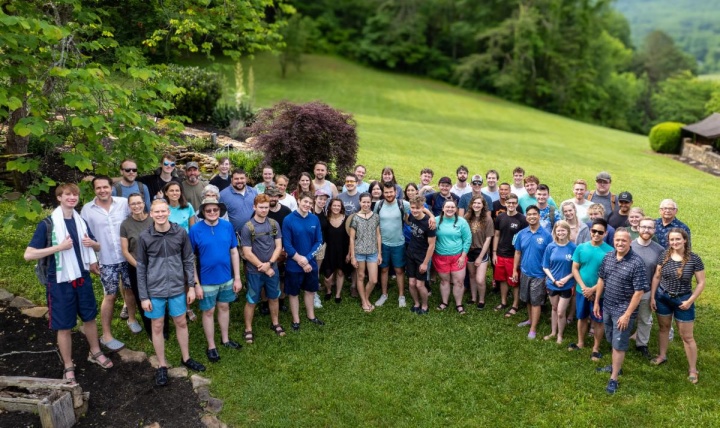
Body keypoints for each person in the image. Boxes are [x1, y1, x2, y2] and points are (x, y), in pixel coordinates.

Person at [25, 183, 112, 383]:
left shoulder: (80, 221)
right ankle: (68, 365)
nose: (72, 198)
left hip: (82, 277)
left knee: (89, 318)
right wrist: (59, 247)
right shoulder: (47, 224)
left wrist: (93, 246)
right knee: (64, 325)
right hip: (60, 282)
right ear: (59, 198)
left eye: (75, 195)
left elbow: (95, 245)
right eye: (67, 195)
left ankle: (95, 352)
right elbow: (29, 254)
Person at [137, 199, 205, 386]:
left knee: (181, 322)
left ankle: (186, 357)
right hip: (155, 290)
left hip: (177, 288)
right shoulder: (145, 237)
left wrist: (191, 286)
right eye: (156, 212)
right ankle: (162, 365)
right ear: (151, 214)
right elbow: (141, 268)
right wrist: (143, 297)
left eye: (163, 211)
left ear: (168, 212)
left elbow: (188, 261)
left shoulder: (180, 233)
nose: (160, 215)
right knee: (157, 326)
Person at [593, 228, 648, 394]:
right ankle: (614, 366)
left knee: (619, 345)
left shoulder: (637, 263)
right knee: (611, 339)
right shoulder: (608, 257)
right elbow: (602, 279)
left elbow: (639, 292)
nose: (620, 243)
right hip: (608, 306)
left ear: (630, 242)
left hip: (623, 311)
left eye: (624, 240)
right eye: (617, 240)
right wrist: (597, 302)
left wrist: (627, 315)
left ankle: (614, 378)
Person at [80, 176, 132, 352]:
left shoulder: (123, 203)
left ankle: (132, 318)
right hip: (105, 259)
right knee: (110, 295)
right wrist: (91, 260)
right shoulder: (87, 209)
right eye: (98, 188)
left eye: (105, 187)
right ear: (94, 190)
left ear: (112, 187)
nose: (102, 190)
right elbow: (84, 237)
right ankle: (107, 334)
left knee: (129, 289)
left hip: (126, 256)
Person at [190, 197, 243, 362]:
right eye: (208, 210)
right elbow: (190, 259)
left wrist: (237, 278)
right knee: (208, 311)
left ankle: (225, 339)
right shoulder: (195, 230)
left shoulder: (227, 226)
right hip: (206, 280)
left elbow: (234, 252)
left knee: (224, 307)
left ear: (220, 211)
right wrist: (195, 284)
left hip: (226, 277)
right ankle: (211, 345)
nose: (212, 213)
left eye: (215, 210)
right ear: (203, 212)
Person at [650, 228, 705, 384]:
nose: (674, 242)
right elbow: (656, 276)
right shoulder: (664, 256)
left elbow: (701, 283)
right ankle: (662, 355)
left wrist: (690, 301)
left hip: (683, 300)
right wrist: (653, 297)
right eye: (672, 240)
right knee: (663, 328)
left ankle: (693, 369)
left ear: (685, 240)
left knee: (687, 336)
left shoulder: (694, 259)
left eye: (677, 239)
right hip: (663, 297)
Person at [241, 194, 286, 342]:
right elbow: (247, 253)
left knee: (274, 297)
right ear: (254, 207)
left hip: (272, 268)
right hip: (255, 271)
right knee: (252, 300)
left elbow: (279, 246)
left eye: (266, 207)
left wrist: (270, 263)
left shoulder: (274, 224)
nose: (264, 210)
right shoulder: (247, 227)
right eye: (261, 207)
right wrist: (264, 267)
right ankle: (248, 328)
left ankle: (275, 322)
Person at [569, 218, 613, 360]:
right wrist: (583, 287)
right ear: (590, 231)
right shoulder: (581, 247)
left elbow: (609, 276)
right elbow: (575, 268)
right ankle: (580, 342)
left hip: (600, 294)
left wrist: (593, 290)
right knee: (581, 317)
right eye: (594, 231)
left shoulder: (610, 252)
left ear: (605, 233)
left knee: (598, 320)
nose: (596, 234)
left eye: (600, 232)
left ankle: (595, 348)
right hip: (582, 291)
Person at [282, 192, 325, 330]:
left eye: (310, 203)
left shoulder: (314, 219)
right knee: (293, 293)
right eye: (305, 202)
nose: (307, 205)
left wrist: (307, 259)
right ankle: (296, 320)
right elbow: (287, 244)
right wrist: (300, 259)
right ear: (298, 201)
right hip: (294, 264)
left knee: (310, 290)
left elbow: (319, 241)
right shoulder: (288, 219)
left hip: (310, 263)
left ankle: (311, 316)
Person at [513, 205, 552, 339]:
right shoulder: (522, 234)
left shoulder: (547, 235)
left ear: (539, 216)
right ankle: (530, 320)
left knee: (536, 301)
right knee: (527, 299)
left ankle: (533, 328)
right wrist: (514, 270)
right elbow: (518, 252)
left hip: (539, 275)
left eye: (534, 214)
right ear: (526, 217)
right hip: (525, 272)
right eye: (529, 214)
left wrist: (548, 276)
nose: (532, 217)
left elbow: (550, 256)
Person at [120, 193, 156, 339]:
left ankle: (163, 327)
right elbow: (125, 250)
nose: (136, 206)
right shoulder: (126, 225)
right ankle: (150, 330)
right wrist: (140, 267)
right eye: (133, 204)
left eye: (139, 203)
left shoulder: (153, 220)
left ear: (144, 203)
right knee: (143, 298)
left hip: (156, 266)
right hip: (136, 267)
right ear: (129, 207)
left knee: (158, 296)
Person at [630, 216, 664, 359]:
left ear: (654, 230)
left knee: (645, 319)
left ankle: (642, 344)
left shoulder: (659, 250)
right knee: (626, 317)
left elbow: (658, 275)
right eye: (643, 227)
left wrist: (653, 295)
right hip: (628, 290)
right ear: (638, 228)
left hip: (646, 291)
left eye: (650, 227)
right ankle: (620, 341)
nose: (646, 230)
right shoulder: (629, 246)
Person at [374, 181, 411, 307]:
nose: (389, 194)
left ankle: (401, 296)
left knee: (399, 270)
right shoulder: (378, 205)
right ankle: (384, 294)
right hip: (383, 243)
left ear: (396, 192)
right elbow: (375, 223)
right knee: (383, 269)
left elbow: (419, 208)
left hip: (399, 243)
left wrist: (431, 217)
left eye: (391, 192)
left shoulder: (403, 204)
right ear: (383, 193)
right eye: (386, 192)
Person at [433, 199, 472, 314]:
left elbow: (467, 239)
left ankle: (459, 304)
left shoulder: (462, 222)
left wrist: (463, 256)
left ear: (456, 209)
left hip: (458, 257)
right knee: (445, 281)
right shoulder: (435, 221)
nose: (450, 209)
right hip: (441, 256)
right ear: (443, 208)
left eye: (452, 207)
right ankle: (444, 302)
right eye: (447, 207)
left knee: (459, 281)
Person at [542, 220, 576, 344]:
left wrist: (566, 278)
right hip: (552, 284)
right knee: (554, 308)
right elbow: (545, 266)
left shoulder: (573, 247)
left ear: (567, 231)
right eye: (558, 230)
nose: (561, 232)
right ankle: (553, 332)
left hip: (566, 284)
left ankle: (560, 335)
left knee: (561, 312)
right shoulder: (551, 246)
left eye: (563, 230)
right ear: (555, 231)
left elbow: (576, 268)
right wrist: (554, 280)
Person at [493, 193, 527, 316]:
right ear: (505, 203)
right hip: (501, 254)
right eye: (509, 203)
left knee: (514, 281)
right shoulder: (500, 217)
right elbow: (496, 235)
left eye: (514, 203)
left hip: (514, 256)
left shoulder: (522, 219)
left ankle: (515, 305)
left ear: (517, 204)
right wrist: (494, 253)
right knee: (502, 279)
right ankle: (503, 302)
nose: (511, 205)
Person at [349, 193, 382, 312]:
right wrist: (353, 256)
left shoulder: (376, 217)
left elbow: (378, 235)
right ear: (360, 202)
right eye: (364, 202)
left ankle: (366, 297)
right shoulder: (355, 218)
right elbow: (352, 238)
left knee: (373, 279)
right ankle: (364, 302)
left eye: (368, 202)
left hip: (373, 252)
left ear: (371, 202)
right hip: (359, 252)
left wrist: (379, 253)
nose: (366, 204)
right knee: (361, 276)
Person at [405, 195, 436, 314]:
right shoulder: (412, 215)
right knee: (411, 283)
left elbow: (432, 245)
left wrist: (425, 263)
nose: (414, 210)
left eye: (417, 208)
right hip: (411, 253)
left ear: (422, 208)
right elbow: (410, 219)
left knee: (419, 285)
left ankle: (424, 305)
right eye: (412, 208)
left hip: (422, 256)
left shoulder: (429, 223)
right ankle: (416, 303)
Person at [465, 195, 494, 309]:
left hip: (481, 251)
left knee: (480, 279)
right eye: (474, 203)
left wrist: (480, 256)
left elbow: (488, 239)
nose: (476, 205)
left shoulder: (487, 219)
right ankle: (473, 298)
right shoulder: (467, 217)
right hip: (469, 250)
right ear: (471, 205)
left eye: (479, 203)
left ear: (483, 205)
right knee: (472, 275)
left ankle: (481, 300)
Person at [321, 198, 351, 302]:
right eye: (334, 205)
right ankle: (328, 290)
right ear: (330, 206)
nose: (336, 207)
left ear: (341, 207)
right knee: (327, 276)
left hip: (342, 250)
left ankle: (338, 294)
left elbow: (350, 238)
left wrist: (349, 253)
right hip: (329, 251)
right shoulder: (326, 219)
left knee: (340, 273)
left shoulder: (347, 219)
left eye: (338, 206)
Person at [220, 168, 258, 234]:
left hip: (255, 233)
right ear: (231, 180)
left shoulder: (253, 192)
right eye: (236, 179)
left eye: (242, 178)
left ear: (245, 179)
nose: (239, 181)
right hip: (235, 235)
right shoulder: (223, 195)